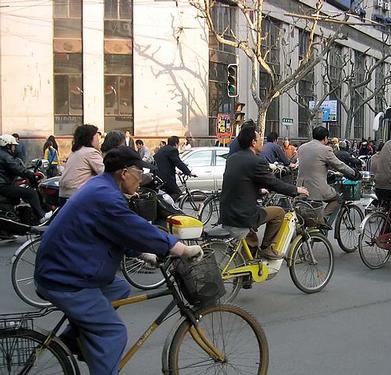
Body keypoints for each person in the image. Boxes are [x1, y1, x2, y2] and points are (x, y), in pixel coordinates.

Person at [34, 146, 203, 375]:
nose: (141, 180)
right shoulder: (106, 196)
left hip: (69, 266)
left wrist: (143, 253)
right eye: (139, 173)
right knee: (112, 333)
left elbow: (114, 232)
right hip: (65, 277)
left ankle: (74, 337)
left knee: (119, 288)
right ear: (124, 173)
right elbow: (135, 227)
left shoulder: (101, 187)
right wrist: (179, 248)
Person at [220, 126, 309, 260]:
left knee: (251, 245)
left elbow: (241, 182)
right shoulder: (256, 161)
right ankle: (267, 248)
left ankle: (246, 275)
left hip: (227, 212)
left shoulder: (232, 158)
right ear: (253, 143)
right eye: (259, 139)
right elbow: (273, 183)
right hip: (242, 214)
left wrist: (259, 190)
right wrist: (296, 190)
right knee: (279, 212)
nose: (262, 141)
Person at [297, 126, 359, 218]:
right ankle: (321, 219)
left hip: (301, 186)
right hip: (316, 188)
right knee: (338, 199)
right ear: (325, 138)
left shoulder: (302, 147)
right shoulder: (325, 149)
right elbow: (339, 166)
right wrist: (354, 173)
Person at [0, 134, 46, 222]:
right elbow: (16, 167)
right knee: (31, 193)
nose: (15, 148)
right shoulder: (5, 156)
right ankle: (42, 216)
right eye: (13, 145)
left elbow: (13, 169)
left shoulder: (3, 154)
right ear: (7, 145)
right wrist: (30, 175)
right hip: (3, 185)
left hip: (3, 183)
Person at [59, 124, 104, 205]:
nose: (99, 140)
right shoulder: (90, 152)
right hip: (79, 195)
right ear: (90, 138)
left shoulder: (75, 152)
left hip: (64, 194)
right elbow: (106, 173)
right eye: (97, 136)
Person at [153, 135, 195, 201]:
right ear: (176, 144)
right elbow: (178, 162)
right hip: (166, 178)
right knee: (177, 192)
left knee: (167, 194)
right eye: (178, 144)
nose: (178, 146)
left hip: (157, 176)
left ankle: (164, 205)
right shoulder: (172, 150)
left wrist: (175, 171)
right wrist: (188, 172)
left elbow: (165, 163)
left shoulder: (162, 149)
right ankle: (167, 206)